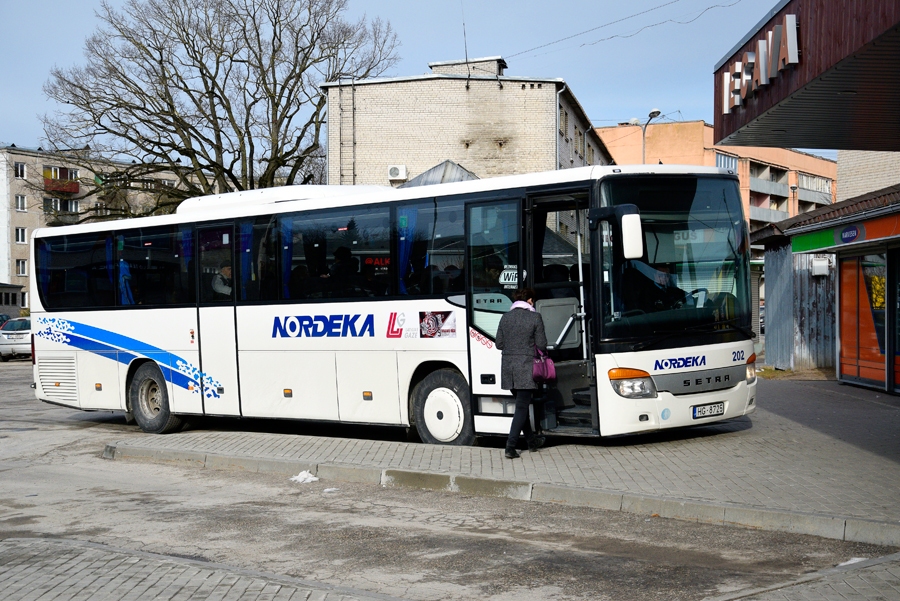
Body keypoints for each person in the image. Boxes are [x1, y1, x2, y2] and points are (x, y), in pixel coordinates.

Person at [495, 287, 548, 459]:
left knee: (521, 406)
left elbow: (499, 344)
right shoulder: (535, 317)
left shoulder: (505, 317)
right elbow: (541, 344)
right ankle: (510, 446)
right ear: (530, 301)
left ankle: (531, 442)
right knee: (521, 407)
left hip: (509, 368)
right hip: (526, 367)